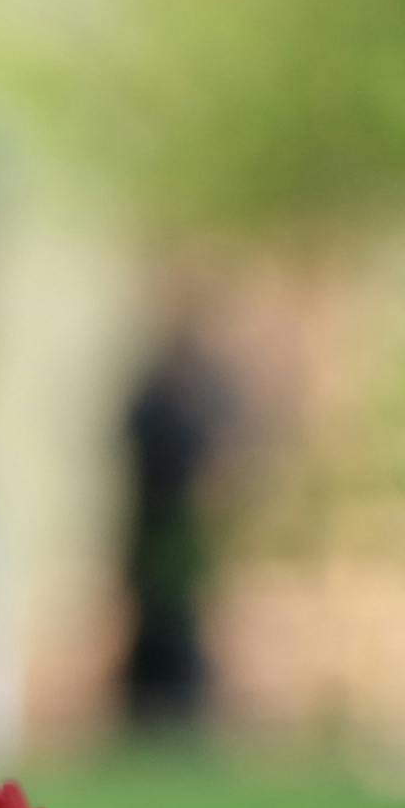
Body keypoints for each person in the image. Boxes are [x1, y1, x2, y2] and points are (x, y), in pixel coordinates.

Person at [118, 303, 236, 730]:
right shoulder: (154, 404)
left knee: (180, 623)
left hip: (180, 533)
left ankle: (179, 707)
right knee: (154, 625)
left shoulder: (198, 402)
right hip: (152, 528)